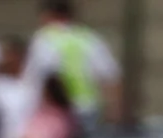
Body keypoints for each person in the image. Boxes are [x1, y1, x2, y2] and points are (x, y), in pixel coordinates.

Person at [25, 0, 122, 129]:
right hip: (88, 106)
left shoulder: (44, 38)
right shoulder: (89, 37)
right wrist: (115, 110)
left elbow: (40, 76)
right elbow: (111, 76)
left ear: (48, 15)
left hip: (58, 110)